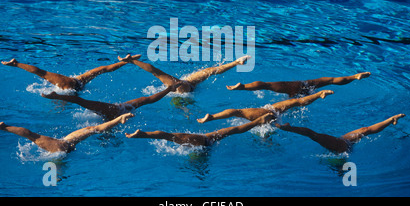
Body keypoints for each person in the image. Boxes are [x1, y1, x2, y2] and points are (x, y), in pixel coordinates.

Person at [0, 113, 134, 153]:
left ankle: (4, 127)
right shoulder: (59, 148)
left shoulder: (60, 149)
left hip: (64, 145)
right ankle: (4, 127)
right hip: (63, 145)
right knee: (93, 129)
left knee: (33, 136)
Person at [42, 83, 182, 120]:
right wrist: (168, 89)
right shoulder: (126, 108)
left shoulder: (125, 108)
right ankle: (57, 96)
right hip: (111, 111)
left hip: (112, 112)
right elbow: (151, 99)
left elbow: (151, 99)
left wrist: (169, 89)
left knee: (82, 102)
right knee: (81, 102)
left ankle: (57, 96)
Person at [118, 54, 252, 94]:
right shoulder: (179, 86)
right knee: (210, 71)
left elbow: (154, 71)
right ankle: (235, 62)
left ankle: (131, 60)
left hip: (184, 87)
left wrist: (132, 60)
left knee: (157, 74)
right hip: (186, 86)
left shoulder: (175, 86)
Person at [274, 114, 406, 154]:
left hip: (344, 145)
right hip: (340, 148)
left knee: (365, 130)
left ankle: (390, 120)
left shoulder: (341, 143)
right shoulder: (337, 146)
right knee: (313, 135)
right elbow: (311, 134)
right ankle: (289, 128)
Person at [1, 54, 141, 91]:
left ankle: (16, 63)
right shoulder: (81, 82)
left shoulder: (67, 85)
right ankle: (128, 61)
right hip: (77, 84)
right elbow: (106, 69)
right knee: (103, 69)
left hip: (71, 85)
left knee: (43, 74)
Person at [126, 113, 275, 147]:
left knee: (170, 137)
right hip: (204, 141)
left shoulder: (200, 143)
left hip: (203, 142)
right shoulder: (204, 141)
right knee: (232, 130)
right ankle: (258, 121)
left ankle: (142, 135)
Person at [197, 90, 334, 124]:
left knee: (237, 112)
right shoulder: (270, 119)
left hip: (268, 112)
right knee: (296, 102)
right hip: (269, 115)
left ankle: (213, 117)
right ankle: (318, 94)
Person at [226, 72, 371, 97]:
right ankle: (354, 76)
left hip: (295, 92)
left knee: (267, 85)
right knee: (330, 80)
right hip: (306, 90)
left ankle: (243, 87)